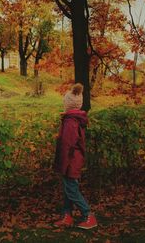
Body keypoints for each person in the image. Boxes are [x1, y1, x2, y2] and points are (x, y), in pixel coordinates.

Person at [53, 83, 97, 229]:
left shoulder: (71, 122)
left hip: (70, 161)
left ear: (68, 104)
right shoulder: (72, 119)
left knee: (71, 189)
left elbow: (68, 145)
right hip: (73, 160)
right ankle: (67, 215)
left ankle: (88, 215)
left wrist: (63, 165)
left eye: (64, 101)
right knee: (69, 188)